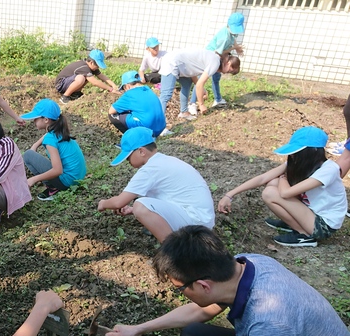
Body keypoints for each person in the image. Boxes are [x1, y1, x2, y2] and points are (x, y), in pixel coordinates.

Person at [107, 225, 350, 336]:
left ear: (203, 285)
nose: (181, 295)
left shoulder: (270, 325)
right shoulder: (246, 263)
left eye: (180, 290)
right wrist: (139, 329)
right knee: (194, 335)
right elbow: (200, 310)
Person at [218, 126, 346, 247]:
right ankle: (295, 223)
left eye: (296, 152)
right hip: (311, 211)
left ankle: (304, 234)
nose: (291, 155)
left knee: (270, 193)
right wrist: (230, 194)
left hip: (323, 225)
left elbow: (286, 193)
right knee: (273, 184)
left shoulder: (328, 170)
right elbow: (262, 178)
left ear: (311, 152)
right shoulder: (302, 163)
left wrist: (283, 178)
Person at [97, 127, 215, 243]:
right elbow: (169, 197)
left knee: (140, 206)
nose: (128, 161)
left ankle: (174, 250)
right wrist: (131, 210)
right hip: (201, 219)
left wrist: (103, 204)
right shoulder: (165, 161)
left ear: (141, 151)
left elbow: (119, 202)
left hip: (195, 222)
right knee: (141, 204)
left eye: (128, 157)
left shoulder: (150, 169)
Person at [21, 99, 86, 201]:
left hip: (67, 182)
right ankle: (55, 186)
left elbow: (57, 170)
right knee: (31, 152)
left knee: (28, 155)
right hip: (78, 178)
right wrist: (35, 145)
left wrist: (33, 179)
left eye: (36, 118)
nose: (34, 121)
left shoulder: (50, 139)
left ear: (46, 120)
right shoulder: (58, 130)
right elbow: (47, 135)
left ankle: (54, 188)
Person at [158, 49, 240, 120]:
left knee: (187, 83)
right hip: (172, 62)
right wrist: (201, 104)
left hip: (180, 64)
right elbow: (199, 85)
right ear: (228, 63)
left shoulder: (215, 59)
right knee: (165, 95)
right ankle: (159, 126)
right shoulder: (215, 62)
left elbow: (193, 71)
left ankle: (184, 112)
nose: (227, 73)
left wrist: (202, 89)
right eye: (230, 70)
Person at [189, 13, 246, 113]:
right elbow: (217, 53)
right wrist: (233, 48)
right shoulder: (224, 37)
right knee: (200, 81)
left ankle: (218, 99)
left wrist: (237, 48)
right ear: (229, 25)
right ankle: (192, 103)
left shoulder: (231, 32)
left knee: (216, 78)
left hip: (219, 58)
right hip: (210, 58)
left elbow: (233, 40)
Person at [109, 71, 167, 137]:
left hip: (148, 129)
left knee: (112, 115)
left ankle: (132, 138)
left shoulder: (129, 94)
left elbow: (111, 111)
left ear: (126, 86)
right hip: (160, 128)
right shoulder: (148, 90)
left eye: (123, 89)